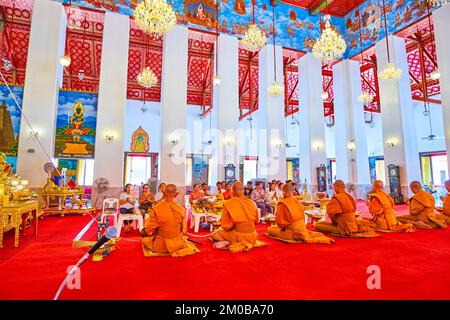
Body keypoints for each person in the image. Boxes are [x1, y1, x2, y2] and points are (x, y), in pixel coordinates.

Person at [141, 184, 199, 257]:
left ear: (164, 193)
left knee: (144, 240)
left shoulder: (156, 208)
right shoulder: (182, 209)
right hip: (177, 244)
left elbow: (150, 232)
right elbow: (184, 231)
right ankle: (178, 252)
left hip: (160, 246)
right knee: (184, 240)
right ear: (176, 194)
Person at [267, 184, 334, 244]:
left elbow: (280, 223)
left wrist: (287, 227)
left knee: (270, 229)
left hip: (291, 232)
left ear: (284, 191)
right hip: (302, 229)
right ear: (293, 191)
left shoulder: (282, 203)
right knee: (312, 230)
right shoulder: (298, 202)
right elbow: (303, 218)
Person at [211, 181, 265, 253]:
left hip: (238, 236)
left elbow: (226, 227)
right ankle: (241, 243)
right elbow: (257, 221)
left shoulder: (228, 203)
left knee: (215, 234)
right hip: (253, 237)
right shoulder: (252, 203)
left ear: (232, 191)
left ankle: (230, 243)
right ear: (243, 190)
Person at [314, 180, 379, 238]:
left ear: (336, 187)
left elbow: (330, 213)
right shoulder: (350, 197)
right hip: (353, 225)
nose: (334, 190)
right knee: (323, 223)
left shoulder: (337, 198)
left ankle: (340, 231)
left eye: (334, 188)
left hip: (342, 228)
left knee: (317, 225)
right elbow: (354, 209)